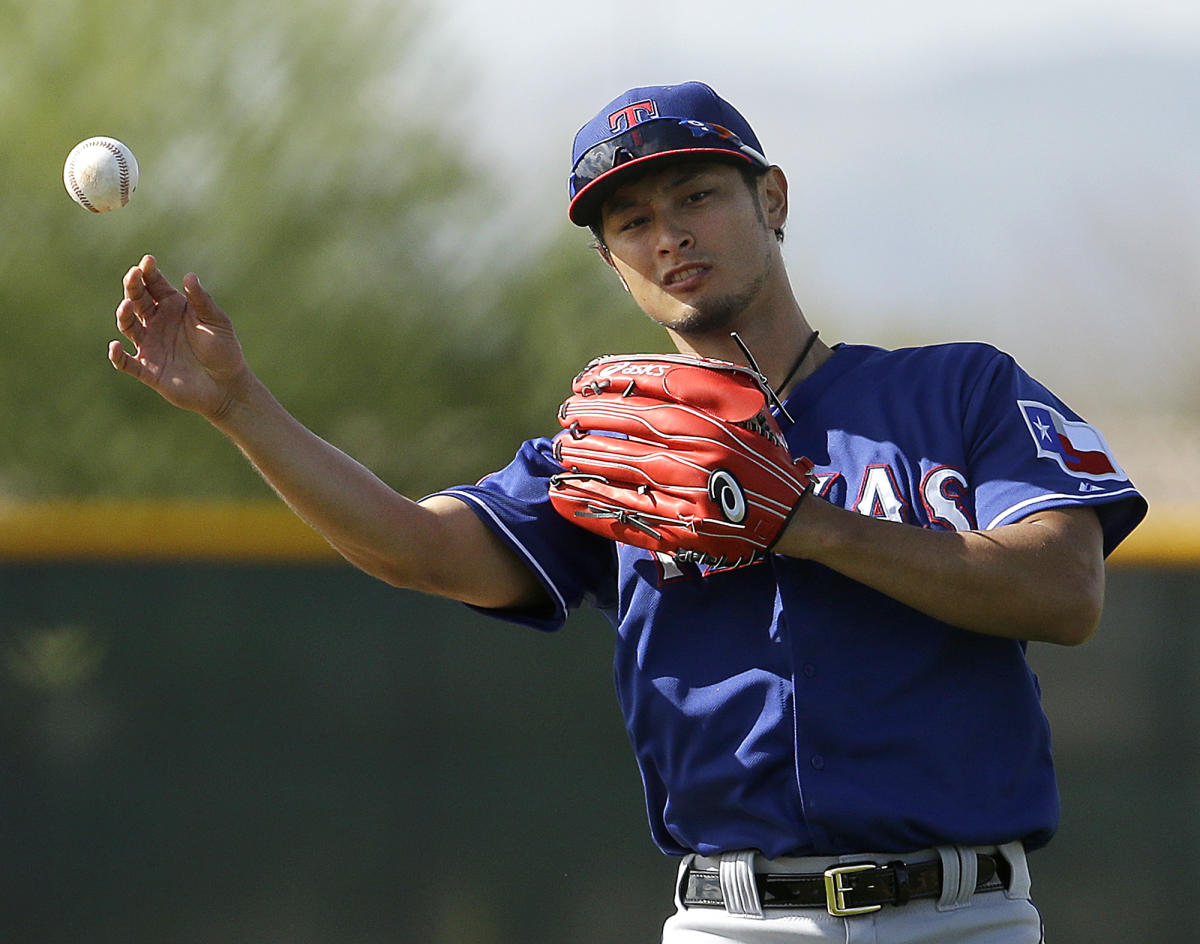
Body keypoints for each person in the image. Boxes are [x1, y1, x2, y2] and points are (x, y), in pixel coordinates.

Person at [109, 81, 1146, 943]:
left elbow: (1063, 589)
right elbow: (421, 547)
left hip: (960, 916)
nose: (670, 237)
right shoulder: (609, 452)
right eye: (632, 222)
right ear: (609, 259)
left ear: (771, 197)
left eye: (697, 196)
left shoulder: (954, 391)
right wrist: (241, 406)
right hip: (734, 920)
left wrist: (806, 523)